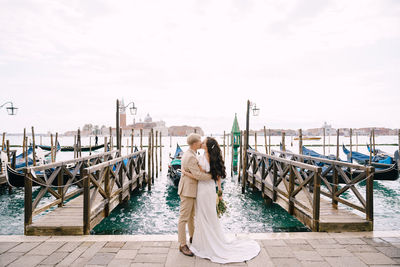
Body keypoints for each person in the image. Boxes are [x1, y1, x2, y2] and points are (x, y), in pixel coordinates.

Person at [182, 137, 260, 264]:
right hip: (211, 190)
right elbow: (217, 176)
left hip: (202, 190)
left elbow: (199, 176)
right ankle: (208, 240)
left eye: (204, 142)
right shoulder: (213, 158)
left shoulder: (203, 158)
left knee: (203, 216)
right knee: (210, 217)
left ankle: (205, 244)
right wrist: (219, 192)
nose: (201, 143)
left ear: (207, 146)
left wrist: (185, 172)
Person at [178, 133, 212, 256]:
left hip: (190, 190)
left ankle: (193, 238)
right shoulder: (190, 157)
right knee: (184, 218)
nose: (201, 142)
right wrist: (212, 176)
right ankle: (182, 244)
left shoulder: (191, 154)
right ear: (194, 144)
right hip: (187, 190)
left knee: (191, 217)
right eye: (199, 141)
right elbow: (198, 175)